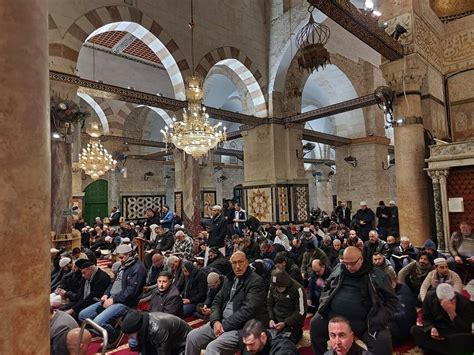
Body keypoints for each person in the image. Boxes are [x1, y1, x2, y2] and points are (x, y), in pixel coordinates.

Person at [310, 246, 397, 355]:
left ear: (361, 259)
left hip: (364, 322)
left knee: (383, 340)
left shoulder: (377, 275)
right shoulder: (340, 269)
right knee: (315, 324)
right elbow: (326, 287)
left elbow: (392, 300)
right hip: (334, 317)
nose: (348, 267)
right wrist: (323, 303)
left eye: (352, 263)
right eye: (346, 263)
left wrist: (379, 319)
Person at [185, 251, 268, 355]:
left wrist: (223, 326)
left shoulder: (256, 281)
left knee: (212, 348)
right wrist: (215, 321)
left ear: (247, 262)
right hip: (220, 323)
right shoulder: (230, 279)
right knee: (192, 337)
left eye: (241, 262)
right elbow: (217, 301)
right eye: (234, 263)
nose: (237, 266)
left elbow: (247, 311)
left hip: (240, 328)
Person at [78, 244, 147, 347]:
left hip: (125, 302)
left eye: (121, 257)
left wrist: (113, 300)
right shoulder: (123, 265)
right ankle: (107, 331)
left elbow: (130, 292)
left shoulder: (138, 268)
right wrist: (106, 294)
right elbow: (113, 283)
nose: (119, 260)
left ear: (129, 254)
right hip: (112, 298)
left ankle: (114, 335)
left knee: (97, 322)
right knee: (83, 315)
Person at [411, 283, 474, 354]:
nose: (450, 303)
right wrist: (431, 328)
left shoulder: (465, 304)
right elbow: (426, 318)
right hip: (438, 330)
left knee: (463, 341)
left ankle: (435, 349)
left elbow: (466, 330)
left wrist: (452, 313)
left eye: (452, 300)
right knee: (415, 330)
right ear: (439, 299)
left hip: (453, 333)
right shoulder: (430, 297)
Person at [122, 310, 192, 355]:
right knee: (132, 342)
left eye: (130, 335)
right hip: (167, 339)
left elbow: (163, 352)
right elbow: (143, 346)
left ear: (137, 330)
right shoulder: (143, 323)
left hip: (183, 343)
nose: (129, 337)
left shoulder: (158, 330)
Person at [267, 270, 306, 343]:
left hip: (290, 322)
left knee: (282, 342)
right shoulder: (272, 286)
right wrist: (271, 318)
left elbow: (301, 312)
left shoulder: (298, 289)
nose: (278, 289)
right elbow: (269, 304)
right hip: (275, 320)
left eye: (280, 287)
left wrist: (285, 323)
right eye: (276, 287)